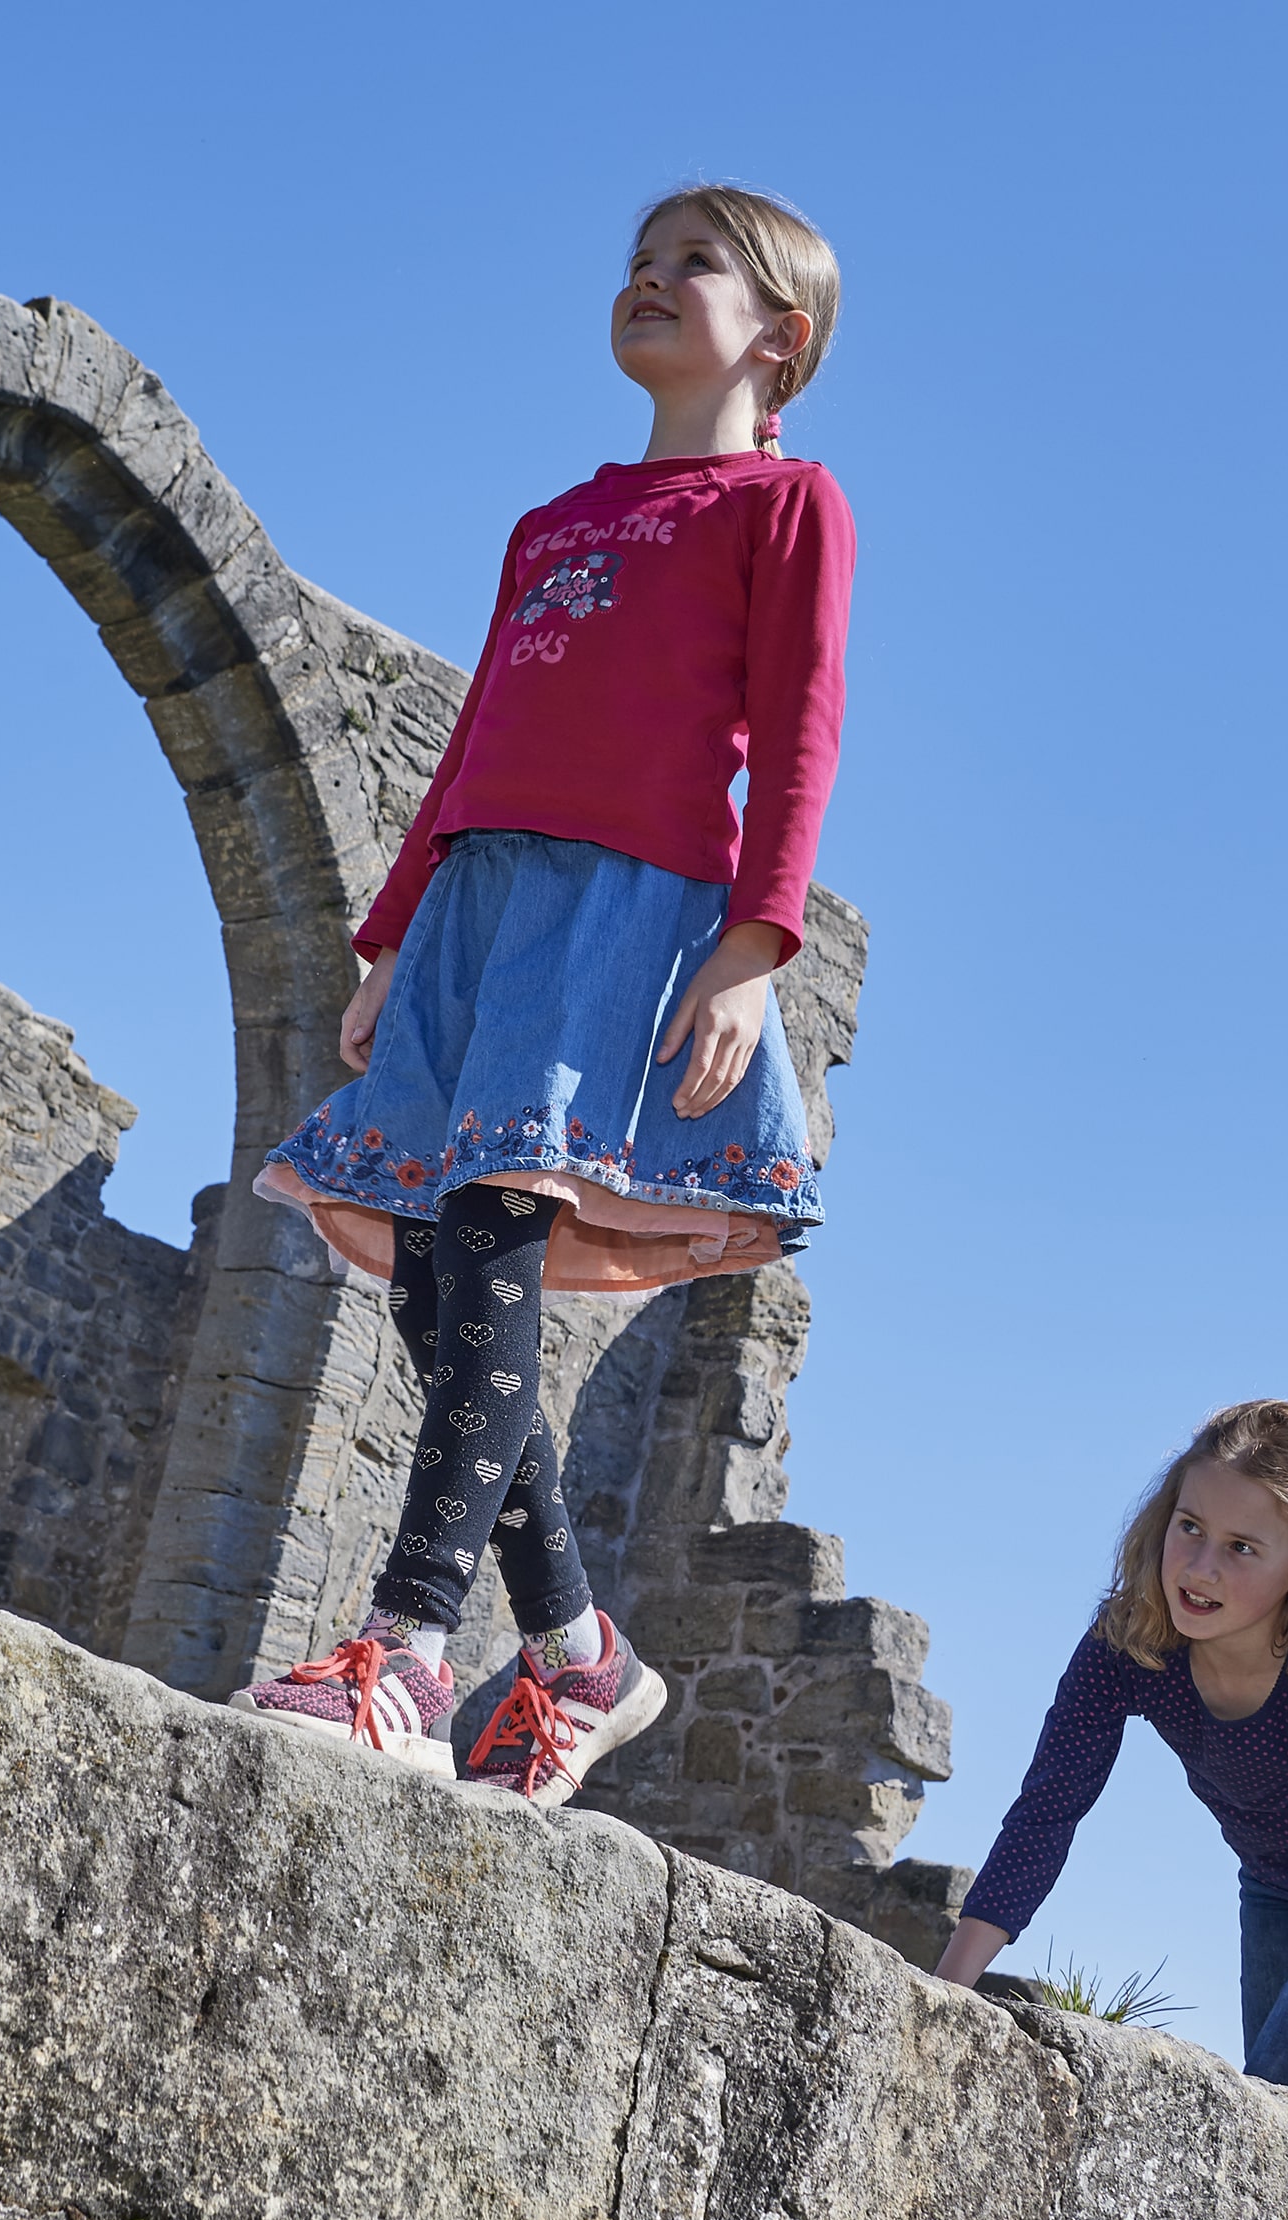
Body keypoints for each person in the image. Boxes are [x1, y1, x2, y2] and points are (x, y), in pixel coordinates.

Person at [231, 184, 852, 1808]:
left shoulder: (787, 513)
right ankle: (577, 1649)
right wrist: (391, 936)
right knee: (442, 1285)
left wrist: (753, 942)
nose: (647, 281)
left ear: (777, 340)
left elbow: (798, 734)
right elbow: (472, 739)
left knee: (494, 1237)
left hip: (618, 911)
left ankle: (407, 1651)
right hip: (475, 908)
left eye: (692, 266)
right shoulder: (551, 526)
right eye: (635, 263)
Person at [933, 1400, 1288, 2143]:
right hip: (1272, 1870)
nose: (1200, 1568)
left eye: (1242, 1548)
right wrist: (942, 1994)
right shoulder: (1128, 1643)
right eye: (1190, 1528)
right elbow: (1047, 1811)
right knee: (1272, 2087)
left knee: (1287, 2099)